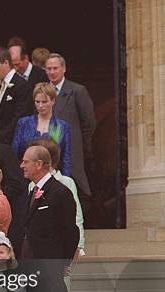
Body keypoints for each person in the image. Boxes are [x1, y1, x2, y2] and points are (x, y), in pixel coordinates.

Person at [12, 146, 78, 292]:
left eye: (25, 161)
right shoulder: (31, 191)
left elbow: (71, 232)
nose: (22, 165)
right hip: (27, 269)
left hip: (48, 269)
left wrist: (61, 263)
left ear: (39, 164)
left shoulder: (60, 192)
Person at [46, 53, 96, 198]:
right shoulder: (41, 91)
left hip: (71, 150)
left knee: (75, 187)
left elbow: (89, 122)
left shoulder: (77, 90)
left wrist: (81, 143)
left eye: (55, 68)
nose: (52, 72)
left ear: (64, 69)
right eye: (49, 68)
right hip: (48, 150)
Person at [28, 139, 85, 257]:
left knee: (64, 275)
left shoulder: (65, 182)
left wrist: (78, 245)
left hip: (59, 247)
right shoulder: (32, 185)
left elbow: (76, 216)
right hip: (37, 248)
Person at [12, 82, 72, 176]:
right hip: (25, 176)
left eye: (44, 102)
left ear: (53, 101)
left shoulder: (62, 126)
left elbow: (66, 159)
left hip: (52, 177)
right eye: (37, 102)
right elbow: (15, 153)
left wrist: (65, 181)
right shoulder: (23, 123)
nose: (40, 106)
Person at [0, 46, 33, 144]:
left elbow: (21, 116)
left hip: (13, 142)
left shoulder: (22, 85)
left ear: (6, 63)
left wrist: (3, 136)